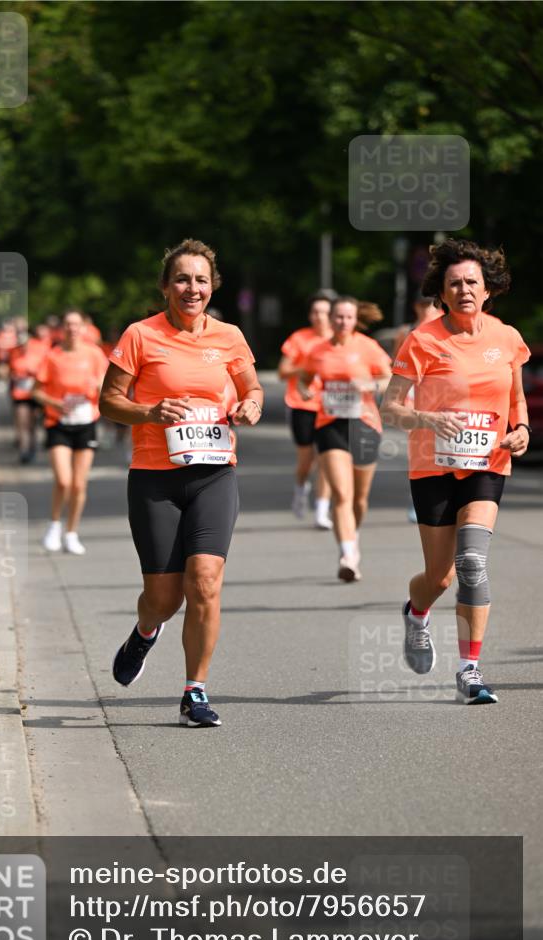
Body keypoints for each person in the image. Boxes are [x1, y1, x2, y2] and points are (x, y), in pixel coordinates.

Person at [100, 238, 263, 728]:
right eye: (182, 279)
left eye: (201, 280)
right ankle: (145, 632)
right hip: (155, 477)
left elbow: (251, 387)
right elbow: (109, 401)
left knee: (206, 583)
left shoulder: (230, 336)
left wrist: (252, 405)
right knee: (164, 598)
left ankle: (195, 690)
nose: (192, 288)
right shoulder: (140, 335)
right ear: (166, 286)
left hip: (215, 473)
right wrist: (149, 411)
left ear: (213, 286)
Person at [381, 239, 530, 705]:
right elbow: (390, 409)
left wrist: (521, 427)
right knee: (440, 575)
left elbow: (515, 398)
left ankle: (470, 669)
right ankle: (416, 611)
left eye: (472, 283)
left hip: (489, 463)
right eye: (454, 284)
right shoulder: (423, 340)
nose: (464, 290)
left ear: (488, 290)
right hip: (433, 467)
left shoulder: (506, 337)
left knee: (472, 562)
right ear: (441, 293)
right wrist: (426, 419)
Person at [302, 297, 392, 582]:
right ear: (331, 319)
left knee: (359, 499)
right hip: (330, 424)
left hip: (365, 424)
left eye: (348, 317)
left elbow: (389, 378)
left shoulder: (367, 347)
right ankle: (348, 554)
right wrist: (307, 390)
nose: (342, 322)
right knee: (342, 494)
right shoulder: (318, 350)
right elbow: (305, 378)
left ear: (355, 320)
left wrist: (370, 385)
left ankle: (353, 533)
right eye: (338, 317)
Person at [33, 309, 109, 555]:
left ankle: (71, 533)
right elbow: (36, 391)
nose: (72, 329)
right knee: (63, 480)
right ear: (62, 329)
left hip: (86, 422)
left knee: (78, 484)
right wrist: (56, 404)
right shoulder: (52, 356)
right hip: (59, 423)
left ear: (84, 328)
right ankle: (54, 525)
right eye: (68, 324)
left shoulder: (94, 354)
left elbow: (107, 385)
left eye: (77, 324)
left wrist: (98, 388)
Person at [278, 295, 334, 528]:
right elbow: (283, 370)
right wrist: (306, 369)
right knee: (306, 461)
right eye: (315, 311)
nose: (318, 316)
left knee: (326, 458)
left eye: (323, 311)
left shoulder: (339, 339)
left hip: (330, 407)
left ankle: (322, 510)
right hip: (301, 405)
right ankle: (301, 488)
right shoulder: (300, 339)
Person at [392, 295, 445, 522]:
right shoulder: (407, 332)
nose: (427, 309)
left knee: (441, 444)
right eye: (422, 304)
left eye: (431, 304)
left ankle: (446, 494)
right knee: (419, 443)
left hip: (441, 393)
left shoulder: (447, 325)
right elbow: (397, 363)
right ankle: (419, 499)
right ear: (415, 306)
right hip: (414, 391)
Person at [8, 326, 49, 463]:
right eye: (19, 344)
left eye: (24, 343)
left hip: (35, 394)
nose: (21, 346)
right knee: (22, 421)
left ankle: (32, 447)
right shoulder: (14, 353)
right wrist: (14, 376)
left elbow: (45, 371)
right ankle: (24, 451)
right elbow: (10, 370)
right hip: (20, 393)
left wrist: (34, 373)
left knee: (32, 423)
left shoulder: (39, 351)